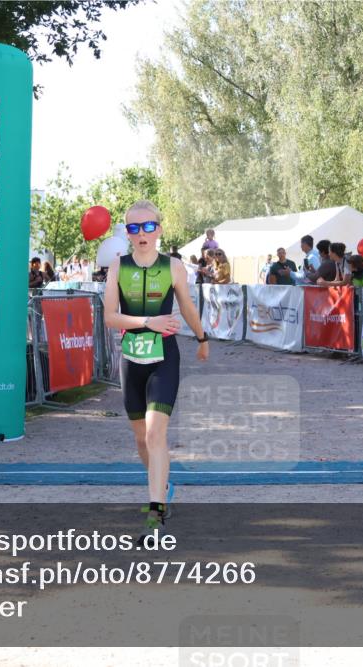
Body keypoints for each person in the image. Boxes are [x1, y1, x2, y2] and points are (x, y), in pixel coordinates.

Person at [103, 200, 208, 540]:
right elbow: (109, 317)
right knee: (140, 438)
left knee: (154, 434)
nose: (142, 234)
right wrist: (148, 321)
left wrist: (203, 337)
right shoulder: (118, 267)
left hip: (165, 360)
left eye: (148, 227)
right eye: (134, 229)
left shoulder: (174, 266)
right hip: (131, 362)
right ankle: (163, 487)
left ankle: (155, 512)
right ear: (127, 234)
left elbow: (188, 307)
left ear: (159, 229)